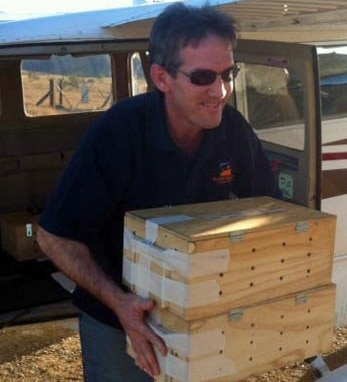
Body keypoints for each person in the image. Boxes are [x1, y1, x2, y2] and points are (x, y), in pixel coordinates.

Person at [37, 3, 277, 381]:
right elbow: (53, 237)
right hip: (116, 318)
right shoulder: (117, 135)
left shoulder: (233, 131)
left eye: (229, 73)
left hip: (200, 312)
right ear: (162, 78)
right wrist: (119, 304)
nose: (221, 90)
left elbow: (269, 211)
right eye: (203, 77)